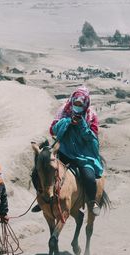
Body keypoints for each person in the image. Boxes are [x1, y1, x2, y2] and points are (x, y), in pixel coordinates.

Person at [31, 86, 102, 216]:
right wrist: (67, 121)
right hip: (63, 150)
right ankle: (42, 199)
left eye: (81, 104)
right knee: (40, 170)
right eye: (76, 103)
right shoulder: (64, 110)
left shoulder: (91, 115)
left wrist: (81, 125)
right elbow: (53, 130)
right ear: (72, 100)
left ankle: (92, 202)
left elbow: (93, 137)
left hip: (83, 154)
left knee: (89, 177)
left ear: (86, 103)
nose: (78, 106)